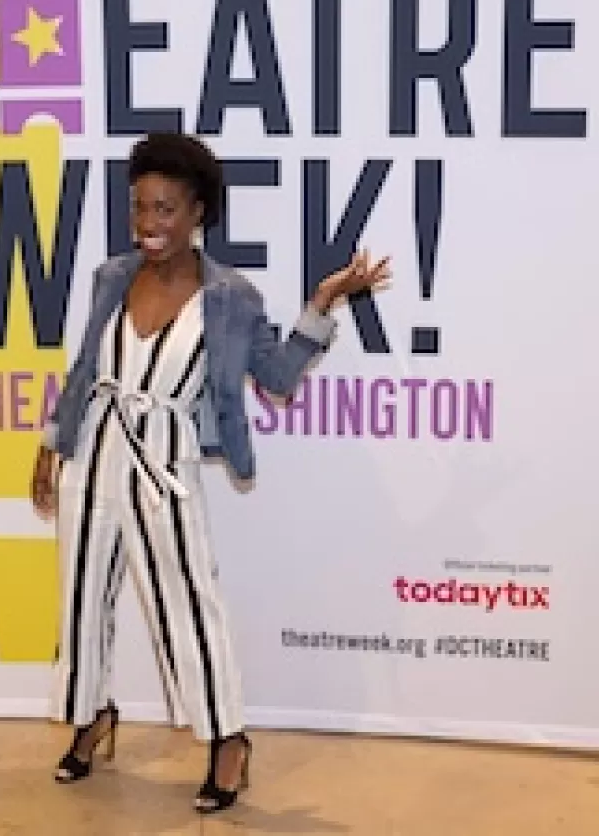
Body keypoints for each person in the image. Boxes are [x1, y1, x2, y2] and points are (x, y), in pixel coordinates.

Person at [31, 131, 391, 814]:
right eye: (139, 208)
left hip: (163, 461)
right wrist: (52, 444)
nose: (148, 225)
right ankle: (91, 716)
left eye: (165, 209)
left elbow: (278, 378)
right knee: (80, 598)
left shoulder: (230, 298)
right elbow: (86, 370)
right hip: (95, 452)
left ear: (198, 212)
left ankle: (228, 740)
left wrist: (322, 308)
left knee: (189, 605)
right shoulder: (112, 276)